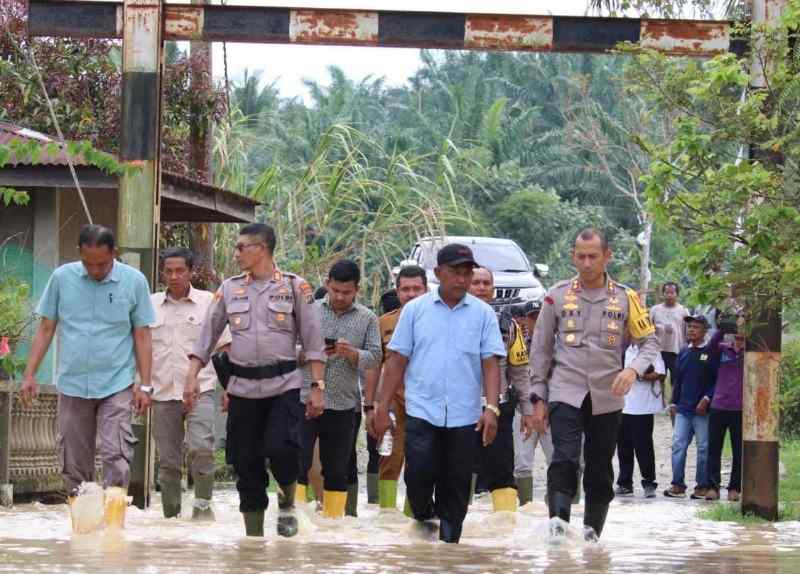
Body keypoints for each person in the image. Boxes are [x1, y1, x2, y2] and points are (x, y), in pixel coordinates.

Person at [184, 223, 326, 538]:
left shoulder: (294, 287)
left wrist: (317, 387)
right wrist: (192, 376)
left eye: (241, 247)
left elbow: (314, 342)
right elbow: (206, 337)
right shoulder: (230, 288)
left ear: (261, 249)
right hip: (242, 389)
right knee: (245, 463)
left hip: (283, 386)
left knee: (282, 449)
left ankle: (287, 502)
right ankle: (254, 543)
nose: (236, 253)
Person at [20, 224, 156, 532]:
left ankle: (114, 531)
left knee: (116, 453)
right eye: (88, 263)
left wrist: (144, 384)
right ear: (79, 254)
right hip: (73, 383)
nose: (95, 270)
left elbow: (142, 334)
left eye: (102, 264)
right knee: (73, 461)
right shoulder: (61, 279)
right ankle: (82, 532)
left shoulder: (133, 282)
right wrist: (29, 374)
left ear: (114, 255)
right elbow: (45, 328)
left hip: (117, 383)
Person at [530, 228, 659, 541]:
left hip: (607, 395)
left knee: (600, 469)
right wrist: (537, 399)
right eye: (580, 256)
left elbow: (649, 342)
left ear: (606, 257)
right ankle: (558, 532)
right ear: (573, 256)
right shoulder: (556, 295)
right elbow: (541, 349)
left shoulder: (626, 298)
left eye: (593, 256)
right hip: (565, 391)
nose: (586, 263)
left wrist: (633, 370)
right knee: (564, 459)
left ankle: (591, 538)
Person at [373, 243, 505, 543]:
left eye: (466, 273)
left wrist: (492, 408)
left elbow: (490, 363)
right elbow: (396, 361)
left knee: (457, 485)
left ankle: (449, 549)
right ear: (438, 274)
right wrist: (381, 407)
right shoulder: (415, 311)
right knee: (418, 474)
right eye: (455, 272)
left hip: (464, 413)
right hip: (422, 409)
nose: (462, 279)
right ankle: (424, 516)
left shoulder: (483, 314)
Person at [149, 247, 231, 520]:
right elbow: (141, 349)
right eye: (168, 271)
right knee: (168, 461)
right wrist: (141, 387)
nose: (174, 276)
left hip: (202, 390)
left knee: (202, 448)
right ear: (162, 272)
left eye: (180, 270)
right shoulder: (150, 305)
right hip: (162, 393)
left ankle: (203, 509)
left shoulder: (209, 302)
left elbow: (225, 348)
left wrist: (231, 387)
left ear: (191, 272)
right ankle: (171, 519)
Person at [299, 259, 381, 519]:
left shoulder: (367, 318)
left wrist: (352, 353)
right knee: (296, 461)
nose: (340, 297)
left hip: (343, 403)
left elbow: (376, 357)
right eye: (335, 290)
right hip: (304, 398)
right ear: (327, 285)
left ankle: (333, 526)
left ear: (357, 289)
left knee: (337, 469)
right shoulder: (308, 310)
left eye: (346, 292)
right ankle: (294, 522)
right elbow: (288, 348)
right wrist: (309, 352)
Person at [468, 266, 535, 512]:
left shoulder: (510, 326)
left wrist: (527, 411)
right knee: (459, 469)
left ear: (493, 290)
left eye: (486, 283)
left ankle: (505, 530)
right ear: (466, 285)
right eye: (476, 283)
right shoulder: (450, 321)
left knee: (503, 472)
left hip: (499, 408)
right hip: (460, 408)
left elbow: (519, 371)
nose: (482, 288)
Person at [364, 265, 427, 511]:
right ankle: (386, 516)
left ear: (426, 290)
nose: (411, 294)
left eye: (416, 289)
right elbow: (372, 365)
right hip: (394, 400)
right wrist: (370, 405)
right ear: (397, 292)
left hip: (427, 401)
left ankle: (415, 515)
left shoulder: (439, 321)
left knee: (421, 460)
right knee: (389, 457)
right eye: (405, 289)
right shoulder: (384, 323)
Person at [664, 314, 719, 499]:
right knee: (678, 445)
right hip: (683, 409)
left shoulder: (711, 352)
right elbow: (678, 379)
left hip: (702, 410)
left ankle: (702, 486)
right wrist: (673, 402)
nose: (691, 330)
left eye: (696, 327)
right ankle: (677, 484)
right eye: (689, 327)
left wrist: (706, 398)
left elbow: (717, 380)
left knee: (703, 447)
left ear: (704, 330)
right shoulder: (683, 351)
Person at [510, 300, 554, 506]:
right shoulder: (517, 342)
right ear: (525, 319)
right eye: (533, 317)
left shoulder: (557, 343)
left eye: (540, 316)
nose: (537, 321)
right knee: (522, 463)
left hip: (551, 410)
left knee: (559, 460)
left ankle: (560, 506)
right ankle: (524, 509)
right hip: (523, 409)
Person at [615, 343, 666, 498]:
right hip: (623, 404)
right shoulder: (623, 349)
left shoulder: (651, 350)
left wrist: (638, 375)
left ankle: (649, 482)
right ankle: (625, 483)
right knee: (623, 446)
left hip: (642, 406)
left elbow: (660, 373)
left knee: (644, 447)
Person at [706, 318, 744, 502]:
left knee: (739, 451)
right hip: (719, 406)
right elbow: (709, 349)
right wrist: (721, 330)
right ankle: (713, 487)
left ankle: (734, 488)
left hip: (740, 408)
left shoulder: (751, 351)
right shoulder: (722, 347)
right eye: (738, 326)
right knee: (714, 448)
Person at [650, 282, 689, 414]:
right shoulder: (655, 310)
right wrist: (658, 329)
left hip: (676, 350)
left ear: (677, 294)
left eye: (672, 292)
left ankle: (673, 404)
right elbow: (648, 328)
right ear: (663, 294)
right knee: (659, 377)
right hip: (658, 350)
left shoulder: (683, 311)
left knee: (676, 378)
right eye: (666, 292)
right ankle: (660, 403)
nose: (669, 295)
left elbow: (687, 331)